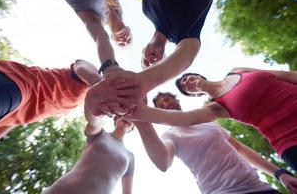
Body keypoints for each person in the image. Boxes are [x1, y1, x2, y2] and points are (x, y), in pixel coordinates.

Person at [126, 68, 297, 172]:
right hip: (289, 141)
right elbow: (186, 118)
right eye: (185, 87)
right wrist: (141, 111)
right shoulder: (216, 108)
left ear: (199, 76)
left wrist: (278, 173)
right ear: (194, 94)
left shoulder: (237, 70)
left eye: (186, 78)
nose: (186, 82)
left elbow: (286, 75)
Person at [132, 92, 297, 194]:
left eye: (167, 99)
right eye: (161, 105)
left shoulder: (208, 122)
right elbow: (162, 162)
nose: (166, 103)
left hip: (260, 187)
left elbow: (239, 148)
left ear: (176, 99)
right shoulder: (171, 135)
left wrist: (279, 173)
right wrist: (141, 119)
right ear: (159, 112)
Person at [88, 0, 215, 116]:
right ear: (165, 58)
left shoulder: (147, 10)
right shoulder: (184, 33)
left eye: (145, 62)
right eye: (153, 65)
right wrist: (143, 81)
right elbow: (187, 54)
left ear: (144, 50)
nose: (151, 61)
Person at [0, 59, 138, 139]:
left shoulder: (83, 103)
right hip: (19, 84)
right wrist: (99, 83)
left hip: (12, 111)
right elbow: (80, 65)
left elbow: (15, 119)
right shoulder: (91, 76)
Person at [43, 94, 135, 194]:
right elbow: (93, 121)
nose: (127, 118)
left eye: (132, 119)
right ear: (116, 118)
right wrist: (102, 104)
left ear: (134, 126)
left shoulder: (130, 157)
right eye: (124, 115)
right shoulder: (100, 133)